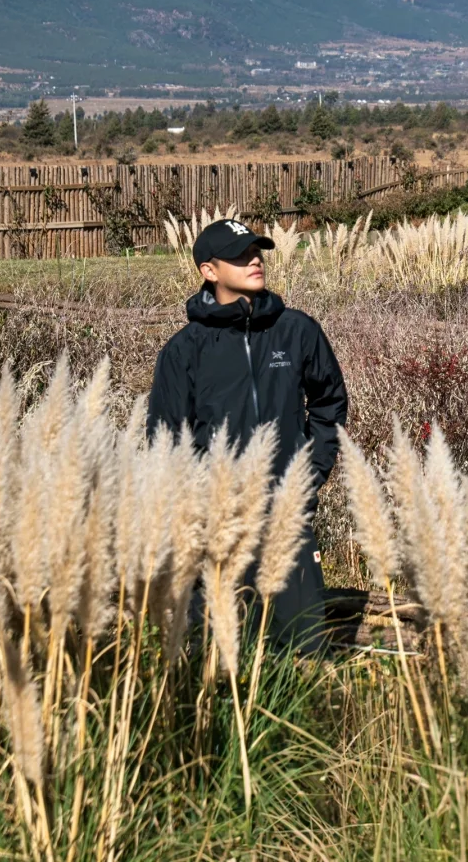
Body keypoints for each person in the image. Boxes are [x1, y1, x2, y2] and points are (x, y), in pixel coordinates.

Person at [148, 217, 348, 647]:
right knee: (218, 653)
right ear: (209, 270)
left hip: (286, 513)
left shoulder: (297, 331)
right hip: (218, 526)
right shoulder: (184, 350)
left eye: (256, 251)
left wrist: (310, 472)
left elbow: (329, 403)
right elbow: (165, 440)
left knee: (304, 649)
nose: (254, 260)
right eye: (240, 256)